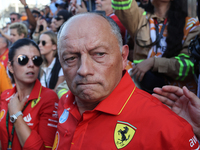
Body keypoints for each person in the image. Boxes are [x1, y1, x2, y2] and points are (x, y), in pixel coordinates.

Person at [52, 13, 200, 149]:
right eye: (71, 58)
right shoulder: (64, 103)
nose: (83, 70)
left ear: (123, 57)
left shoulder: (167, 127)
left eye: (99, 54)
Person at [112, 0, 200, 94]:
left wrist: (153, 62)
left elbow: (189, 66)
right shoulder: (140, 17)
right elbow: (121, 3)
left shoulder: (192, 25)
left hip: (176, 97)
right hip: (141, 90)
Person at [0, 38, 59, 150]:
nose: (31, 64)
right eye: (23, 59)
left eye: (36, 60)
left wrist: (16, 115)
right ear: (11, 67)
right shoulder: (5, 96)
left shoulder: (49, 98)